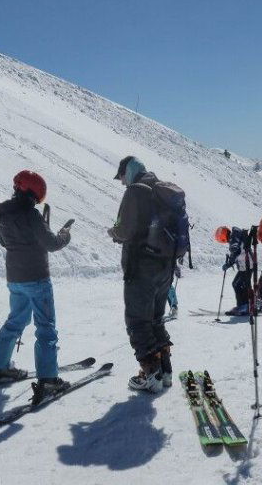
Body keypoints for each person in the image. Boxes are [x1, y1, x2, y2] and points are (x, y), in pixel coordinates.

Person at [0, 170, 72, 402]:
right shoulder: (31, 215)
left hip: (15, 278)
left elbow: (4, 241)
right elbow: (51, 244)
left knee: (16, 321)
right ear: (37, 193)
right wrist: (64, 235)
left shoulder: (4, 213)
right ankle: (49, 379)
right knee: (46, 327)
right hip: (37, 278)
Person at [108, 156, 176, 393]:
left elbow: (124, 229)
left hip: (141, 268)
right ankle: (165, 371)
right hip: (165, 267)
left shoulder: (135, 192)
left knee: (138, 322)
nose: (121, 182)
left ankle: (151, 374)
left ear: (129, 172)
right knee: (156, 319)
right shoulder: (161, 191)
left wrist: (114, 233)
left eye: (122, 176)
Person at [216, 225, 252, 315]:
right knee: (241, 284)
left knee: (238, 284)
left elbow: (236, 250)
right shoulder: (236, 235)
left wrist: (229, 264)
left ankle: (244, 306)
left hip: (246, 265)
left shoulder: (233, 238)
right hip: (247, 264)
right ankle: (244, 305)